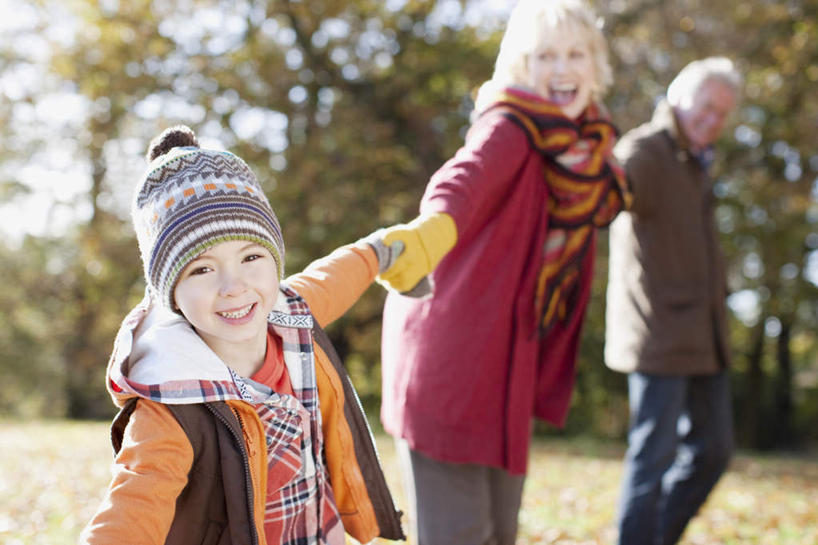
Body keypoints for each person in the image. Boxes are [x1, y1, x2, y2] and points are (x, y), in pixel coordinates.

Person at [373, 1, 631, 543]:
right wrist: (429, 232)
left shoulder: (585, 154)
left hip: (508, 359)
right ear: (520, 66)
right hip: (451, 353)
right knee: (460, 532)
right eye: (545, 56)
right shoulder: (510, 127)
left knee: (498, 531)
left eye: (575, 54)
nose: (562, 69)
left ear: (596, 64)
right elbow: (464, 180)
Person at [80, 126, 406, 545]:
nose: (233, 287)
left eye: (251, 256)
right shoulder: (170, 405)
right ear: (171, 293)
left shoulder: (290, 312)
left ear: (275, 262)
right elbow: (131, 510)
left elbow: (338, 275)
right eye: (202, 268)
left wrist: (383, 250)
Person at [604, 57, 742, 545]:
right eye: (706, 106)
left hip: (705, 336)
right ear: (679, 96)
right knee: (653, 460)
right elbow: (610, 195)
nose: (712, 119)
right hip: (659, 333)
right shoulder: (647, 150)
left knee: (714, 452)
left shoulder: (696, 161)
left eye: (722, 113)